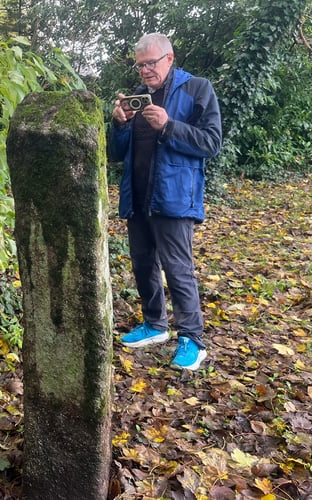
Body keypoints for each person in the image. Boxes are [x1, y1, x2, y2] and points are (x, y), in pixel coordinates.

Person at [108, 33, 222, 371]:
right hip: (138, 197)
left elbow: (211, 142)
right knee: (143, 264)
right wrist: (119, 124)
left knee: (178, 269)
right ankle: (155, 325)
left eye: (150, 63)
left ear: (169, 58)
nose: (144, 71)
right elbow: (116, 154)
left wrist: (169, 126)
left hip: (173, 197)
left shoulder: (196, 89)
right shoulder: (137, 99)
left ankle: (193, 340)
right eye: (139, 65)